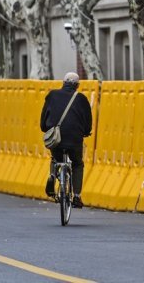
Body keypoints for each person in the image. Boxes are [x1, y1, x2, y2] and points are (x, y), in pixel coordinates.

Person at [40, 72, 92, 208]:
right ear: (77, 86)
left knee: (55, 158)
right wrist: (86, 132)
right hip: (75, 139)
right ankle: (77, 196)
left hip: (56, 139)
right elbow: (88, 121)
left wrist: (46, 128)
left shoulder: (52, 95)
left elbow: (44, 119)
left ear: (63, 83)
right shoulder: (81, 99)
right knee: (77, 163)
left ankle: (53, 174)